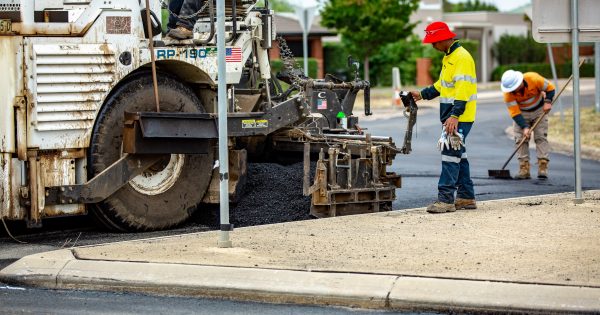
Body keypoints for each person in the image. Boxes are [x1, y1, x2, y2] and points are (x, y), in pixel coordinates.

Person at [409, 21, 477, 214]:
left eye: (435, 42)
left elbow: (463, 90)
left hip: (459, 117)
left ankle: (446, 200)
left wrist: (455, 115)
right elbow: (442, 85)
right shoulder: (450, 57)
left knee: (449, 154)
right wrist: (422, 94)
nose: (432, 46)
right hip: (453, 116)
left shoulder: (462, 57)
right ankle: (466, 198)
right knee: (458, 156)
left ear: (446, 38)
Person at [500, 70, 555, 179]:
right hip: (522, 113)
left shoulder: (534, 79)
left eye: (515, 87)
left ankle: (542, 166)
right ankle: (524, 169)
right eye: (512, 89)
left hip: (540, 111)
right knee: (520, 139)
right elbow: (515, 113)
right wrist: (525, 127)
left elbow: (550, 88)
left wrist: (548, 102)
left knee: (540, 137)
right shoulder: (508, 95)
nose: (514, 90)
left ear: (520, 81)